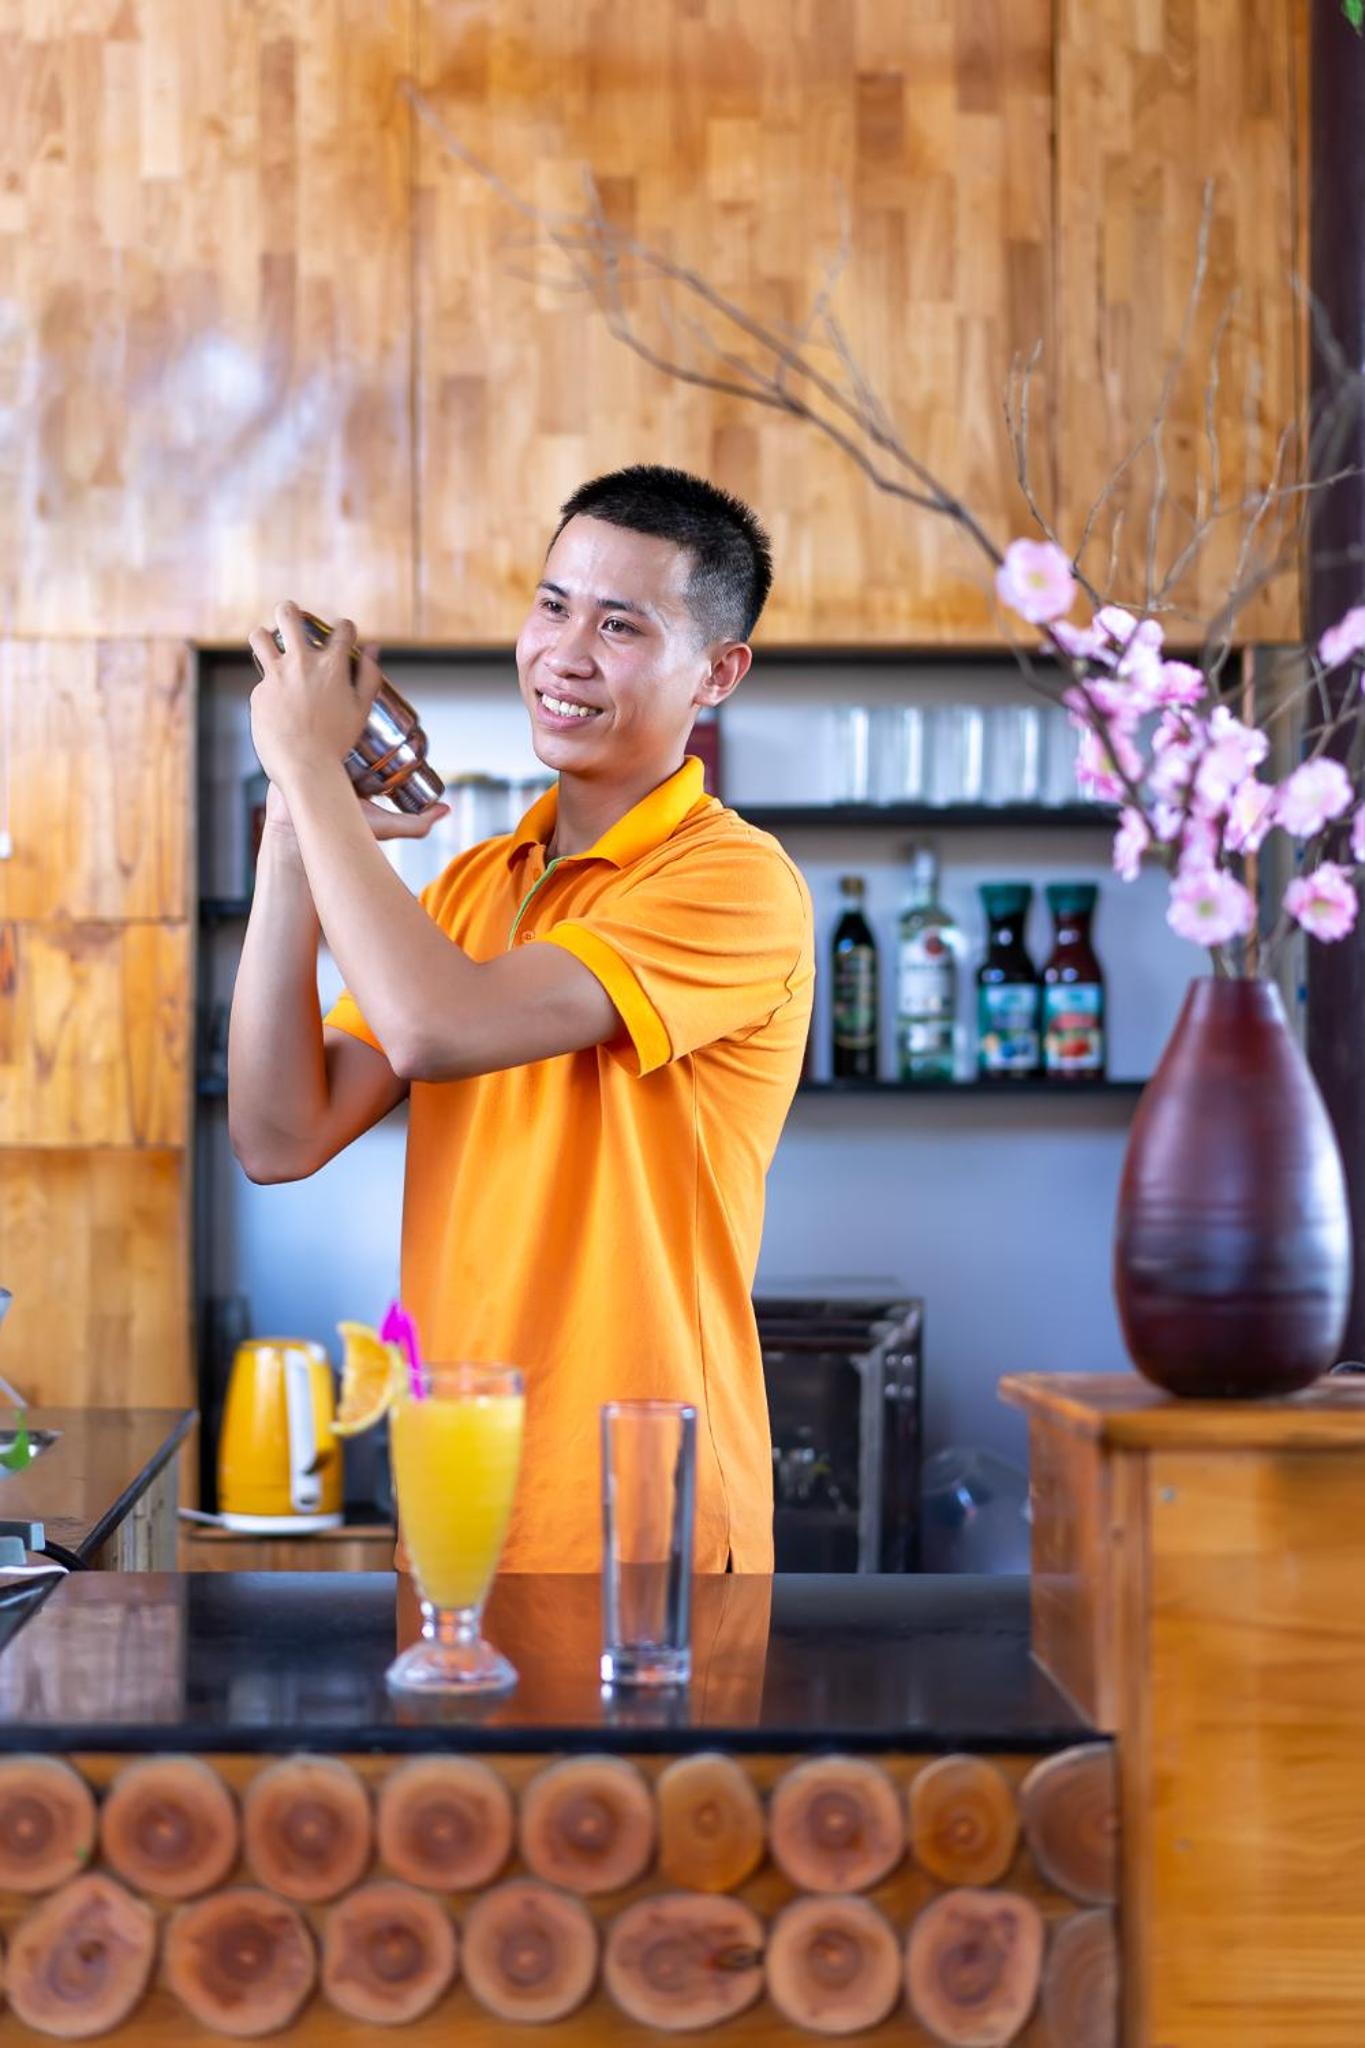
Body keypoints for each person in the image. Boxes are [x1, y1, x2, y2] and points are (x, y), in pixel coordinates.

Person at [231, 464, 814, 1572]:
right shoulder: (475, 887)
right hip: (460, 1499)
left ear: (718, 671)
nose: (566, 654)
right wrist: (293, 839)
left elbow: (432, 1027)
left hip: (645, 1519)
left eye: (621, 625)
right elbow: (276, 1135)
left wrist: (307, 765)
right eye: (553, 606)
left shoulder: (735, 882)